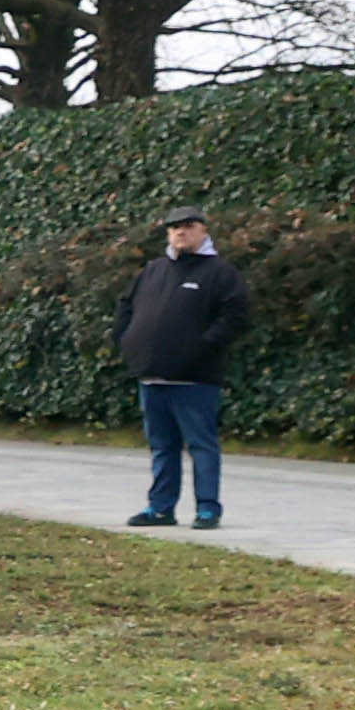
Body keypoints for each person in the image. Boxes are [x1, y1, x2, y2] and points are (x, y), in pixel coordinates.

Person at [120, 209, 254, 531]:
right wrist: (127, 343)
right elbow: (125, 307)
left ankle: (208, 509)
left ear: (203, 231)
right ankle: (160, 507)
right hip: (152, 375)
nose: (181, 233)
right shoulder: (152, 271)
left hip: (195, 378)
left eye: (188, 227)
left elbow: (237, 316)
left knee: (201, 445)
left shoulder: (220, 273)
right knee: (162, 447)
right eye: (174, 228)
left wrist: (203, 346)